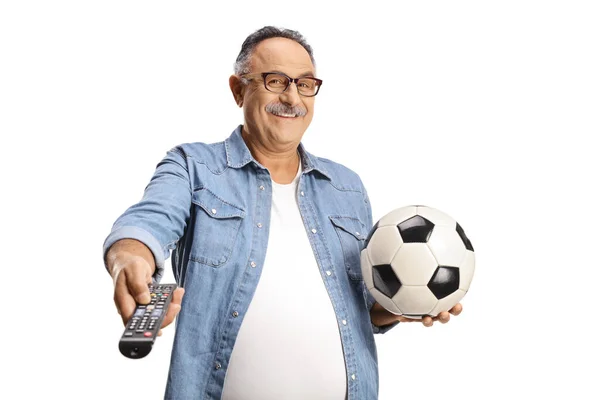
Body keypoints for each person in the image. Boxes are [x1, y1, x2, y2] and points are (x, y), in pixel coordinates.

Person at [103, 26, 462, 400]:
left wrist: (401, 304)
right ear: (238, 89)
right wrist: (130, 259)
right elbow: (148, 221)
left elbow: (358, 311)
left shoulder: (346, 186)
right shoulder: (193, 166)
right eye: (276, 81)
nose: (292, 97)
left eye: (305, 84)